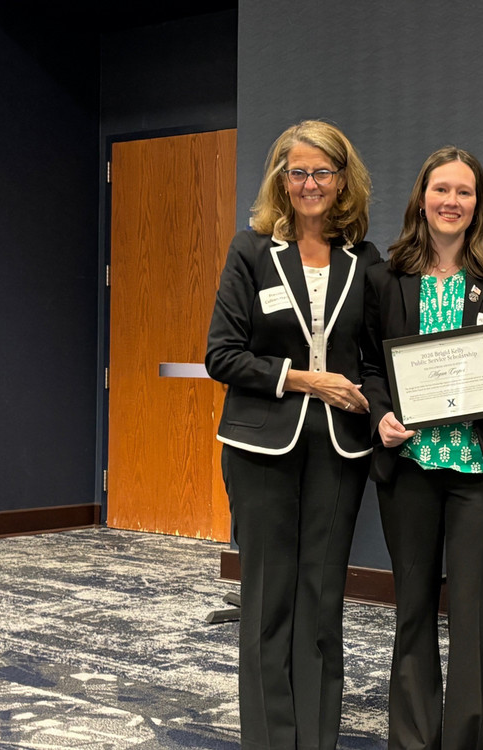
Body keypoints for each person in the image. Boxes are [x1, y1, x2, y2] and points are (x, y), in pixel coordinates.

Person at [205, 120, 381, 750]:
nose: (309, 183)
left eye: (322, 172)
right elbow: (221, 355)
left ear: (343, 180)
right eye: (297, 171)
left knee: (322, 598)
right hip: (261, 449)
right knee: (267, 599)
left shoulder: (367, 261)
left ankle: (316, 738)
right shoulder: (250, 251)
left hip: (340, 450)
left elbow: (378, 358)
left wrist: (377, 400)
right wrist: (308, 381)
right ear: (281, 179)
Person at [361, 146, 483, 750]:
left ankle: (469, 739)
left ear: (477, 203)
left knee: (475, 618)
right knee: (411, 611)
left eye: (464, 191)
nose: (451, 201)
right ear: (422, 197)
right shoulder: (385, 275)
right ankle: (411, 740)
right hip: (409, 464)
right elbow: (367, 363)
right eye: (441, 190)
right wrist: (379, 415)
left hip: (478, 469)